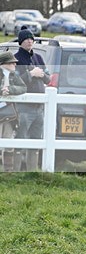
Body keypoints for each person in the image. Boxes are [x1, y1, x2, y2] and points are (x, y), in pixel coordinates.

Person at [14, 29, 50, 171]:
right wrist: (30, 74)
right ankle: (15, 172)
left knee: (36, 140)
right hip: (24, 107)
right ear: (20, 41)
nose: (29, 41)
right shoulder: (16, 59)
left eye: (31, 39)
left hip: (39, 107)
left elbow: (48, 77)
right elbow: (15, 81)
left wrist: (41, 74)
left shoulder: (39, 58)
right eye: (26, 39)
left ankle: (32, 172)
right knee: (21, 138)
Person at [0, 51, 26, 172]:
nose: (15, 65)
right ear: (4, 63)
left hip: (9, 114)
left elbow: (23, 87)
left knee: (8, 141)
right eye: (12, 63)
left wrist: (10, 89)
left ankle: (8, 172)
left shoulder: (14, 75)